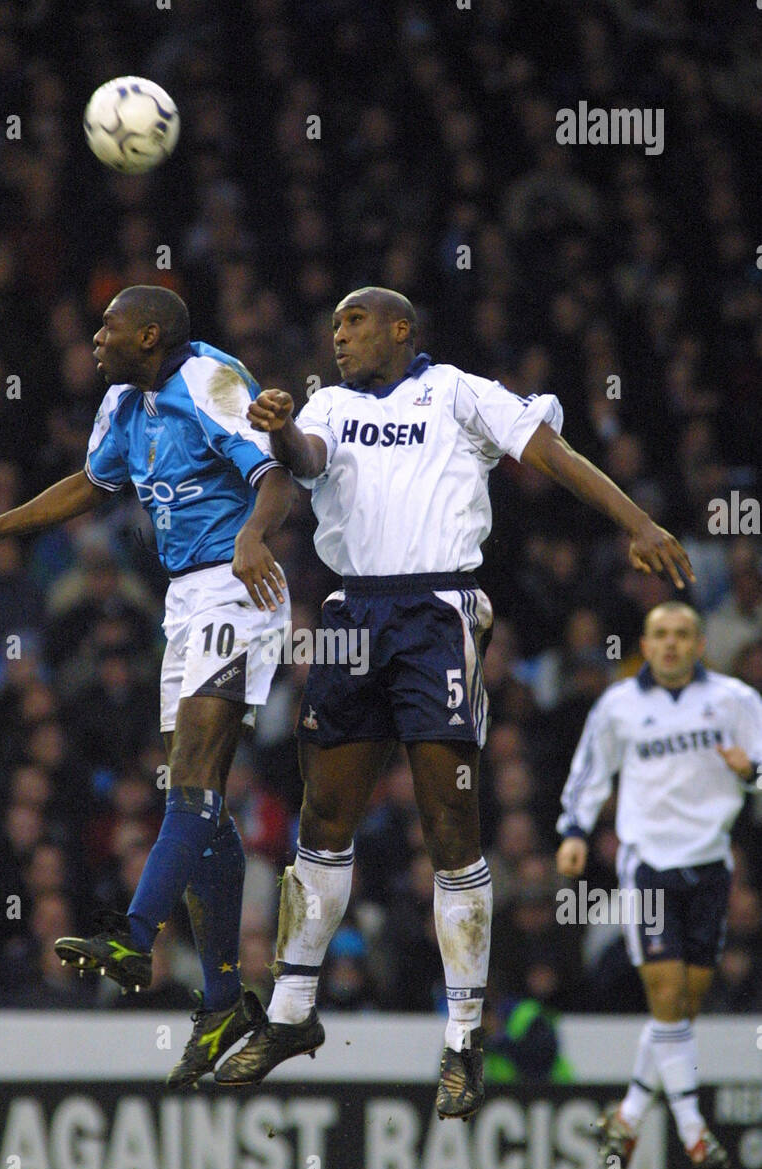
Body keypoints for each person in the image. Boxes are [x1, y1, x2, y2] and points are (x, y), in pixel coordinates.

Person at [214, 284, 694, 1125]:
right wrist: (279, 429)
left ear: (401, 328)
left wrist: (637, 522)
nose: (340, 336)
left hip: (435, 613)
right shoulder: (326, 403)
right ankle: (291, 1014)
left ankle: (464, 1037)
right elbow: (305, 462)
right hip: (348, 613)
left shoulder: (458, 393)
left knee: (450, 827)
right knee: (322, 819)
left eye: (354, 323)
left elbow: (551, 455)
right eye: (332, 326)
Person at [0, 285, 293, 1087]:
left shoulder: (209, 378)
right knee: (203, 803)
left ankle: (133, 933)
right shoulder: (125, 403)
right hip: (185, 600)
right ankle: (226, 997)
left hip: (237, 585)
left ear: (149, 334)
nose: (95, 336)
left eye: (108, 325)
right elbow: (89, 485)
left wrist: (256, 539)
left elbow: (277, 475)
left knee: (189, 783)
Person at [556, 601, 762, 1169]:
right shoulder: (619, 706)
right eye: (660, 635)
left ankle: (627, 1116)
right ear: (645, 646)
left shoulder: (737, 701)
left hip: (712, 866)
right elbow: (588, 774)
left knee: (681, 1010)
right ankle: (696, 1131)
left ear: (700, 645)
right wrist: (574, 831)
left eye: (682, 635)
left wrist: (752, 772)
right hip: (647, 864)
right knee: (666, 994)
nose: (671, 644)